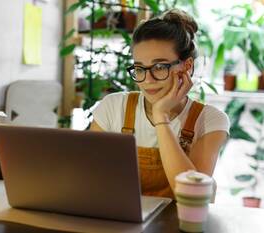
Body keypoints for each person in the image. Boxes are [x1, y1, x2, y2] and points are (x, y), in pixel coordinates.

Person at [90, 9, 229, 199]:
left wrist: (161, 117)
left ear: (186, 66)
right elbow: (90, 178)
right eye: (139, 68)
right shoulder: (113, 107)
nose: (147, 79)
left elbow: (193, 196)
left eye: (159, 67)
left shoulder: (210, 120)